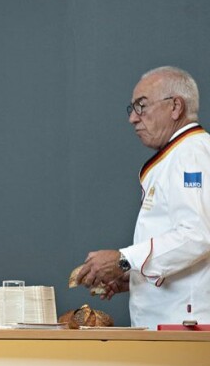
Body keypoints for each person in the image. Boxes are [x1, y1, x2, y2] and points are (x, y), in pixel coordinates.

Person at [77, 66, 210, 329]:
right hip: (173, 321)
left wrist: (125, 259)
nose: (133, 119)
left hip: (186, 326)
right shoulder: (178, 154)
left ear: (175, 107)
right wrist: (136, 276)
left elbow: (197, 235)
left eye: (142, 106)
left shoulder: (190, 154)